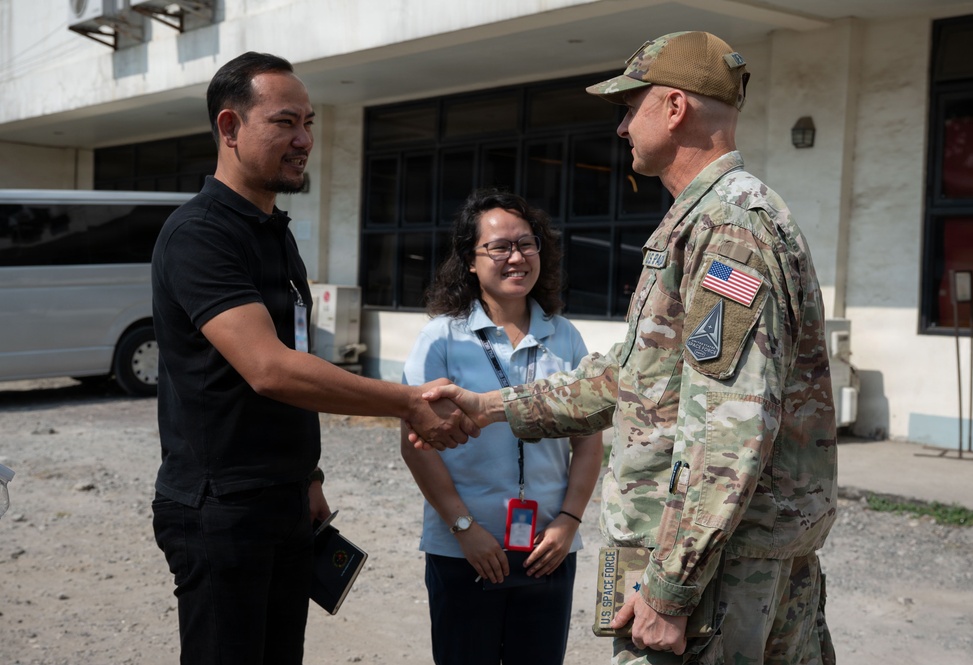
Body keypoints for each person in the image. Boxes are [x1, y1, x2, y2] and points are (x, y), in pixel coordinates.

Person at [416, 32, 838, 665]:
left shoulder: (729, 229)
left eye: (629, 106)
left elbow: (731, 427)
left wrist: (670, 590)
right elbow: (636, 377)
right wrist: (490, 406)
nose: (620, 127)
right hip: (725, 564)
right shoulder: (706, 222)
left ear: (674, 109)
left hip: (716, 579)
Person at [150, 51, 476, 665]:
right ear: (229, 127)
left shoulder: (275, 231)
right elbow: (269, 368)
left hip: (281, 502)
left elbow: (297, 361)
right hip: (221, 509)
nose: (304, 140)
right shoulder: (200, 235)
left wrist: (308, 476)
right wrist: (408, 400)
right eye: (284, 122)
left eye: (309, 123)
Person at [400, 189, 604, 665]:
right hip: (464, 549)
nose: (516, 257)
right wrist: (463, 526)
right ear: (470, 261)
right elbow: (417, 445)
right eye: (499, 246)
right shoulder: (441, 338)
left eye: (527, 243)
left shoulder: (564, 335)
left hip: (546, 548)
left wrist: (568, 523)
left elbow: (589, 441)